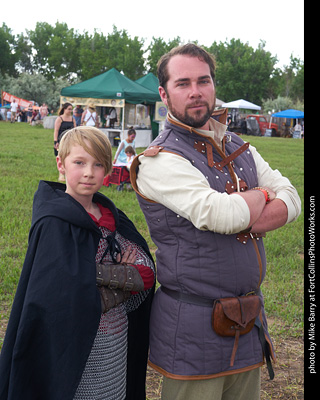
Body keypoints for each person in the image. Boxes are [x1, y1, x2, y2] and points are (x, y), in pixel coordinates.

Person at [130, 44, 301, 400]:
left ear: (213, 85)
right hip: (193, 328)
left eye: (203, 80)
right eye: (183, 83)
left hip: (248, 319)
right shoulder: (159, 160)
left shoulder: (238, 146)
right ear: (164, 93)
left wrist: (250, 208)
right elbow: (219, 215)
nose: (195, 91)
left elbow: (294, 199)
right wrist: (263, 196)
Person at [0, 126, 155, 400]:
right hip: (65, 344)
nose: (88, 172)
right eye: (79, 162)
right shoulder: (53, 222)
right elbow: (55, 291)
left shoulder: (112, 217)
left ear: (107, 170)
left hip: (111, 343)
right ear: (61, 163)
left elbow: (145, 274)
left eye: (98, 164)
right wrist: (120, 276)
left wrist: (91, 280)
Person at [54, 102, 76, 181]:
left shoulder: (73, 119)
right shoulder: (59, 119)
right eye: (69, 109)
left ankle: (69, 174)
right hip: (61, 140)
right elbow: (56, 131)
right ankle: (61, 174)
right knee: (62, 156)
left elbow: (75, 130)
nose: (70, 111)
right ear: (64, 109)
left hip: (71, 140)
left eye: (71, 109)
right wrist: (55, 141)